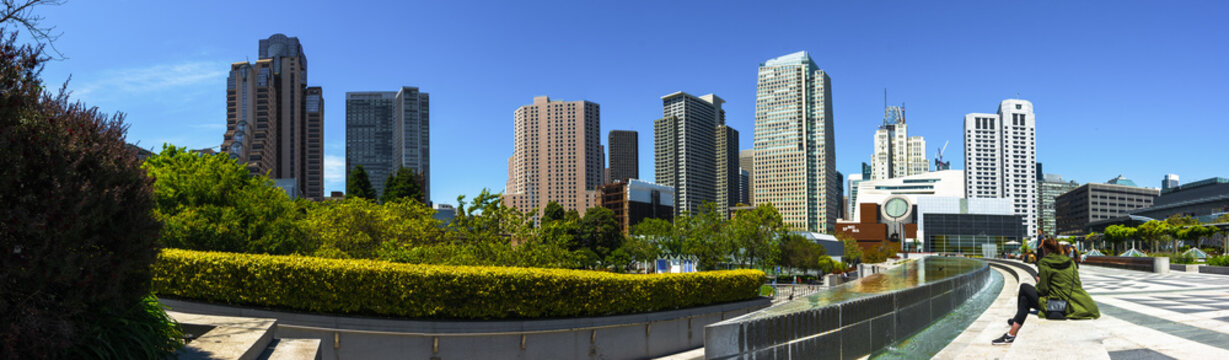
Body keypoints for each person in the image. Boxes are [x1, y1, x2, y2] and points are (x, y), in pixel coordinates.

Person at [992, 238, 1100, 345]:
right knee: (1025, 299)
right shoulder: (1070, 263)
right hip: (1074, 303)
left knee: (1024, 288)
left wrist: (1039, 282)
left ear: (1046, 249)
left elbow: (1043, 290)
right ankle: (1012, 333)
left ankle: (1013, 326)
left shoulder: (1044, 263)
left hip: (1057, 305)